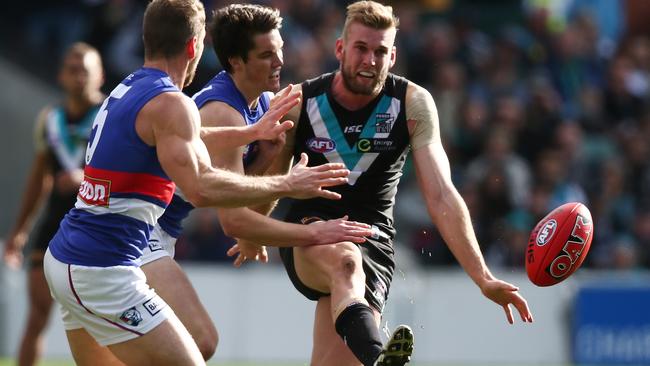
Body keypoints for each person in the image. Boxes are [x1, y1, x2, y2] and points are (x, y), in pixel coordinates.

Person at [41, 1, 362, 365]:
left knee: (191, 345)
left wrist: (249, 134)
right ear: (195, 47)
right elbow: (202, 188)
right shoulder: (172, 102)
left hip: (75, 254)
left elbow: (189, 136)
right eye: (267, 54)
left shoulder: (132, 86)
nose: (278, 63)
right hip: (101, 264)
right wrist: (288, 185)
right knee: (197, 350)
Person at [234, 2, 535, 366]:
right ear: (340, 49)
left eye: (380, 52)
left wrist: (483, 277)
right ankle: (381, 360)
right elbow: (270, 184)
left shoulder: (411, 103)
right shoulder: (301, 102)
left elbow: (441, 194)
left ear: (392, 57)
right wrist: (252, 231)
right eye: (361, 48)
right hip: (310, 232)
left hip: (373, 242)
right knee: (344, 262)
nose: (370, 60)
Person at [2, 42, 105, 366]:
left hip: (99, 226)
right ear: (60, 75)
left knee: (99, 321)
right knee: (37, 314)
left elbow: (128, 170)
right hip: (53, 226)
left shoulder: (110, 116)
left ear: (99, 76)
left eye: (84, 70)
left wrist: (84, 179)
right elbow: (38, 179)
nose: (77, 77)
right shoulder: (50, 119)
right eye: (71, 70)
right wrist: (19, 231)